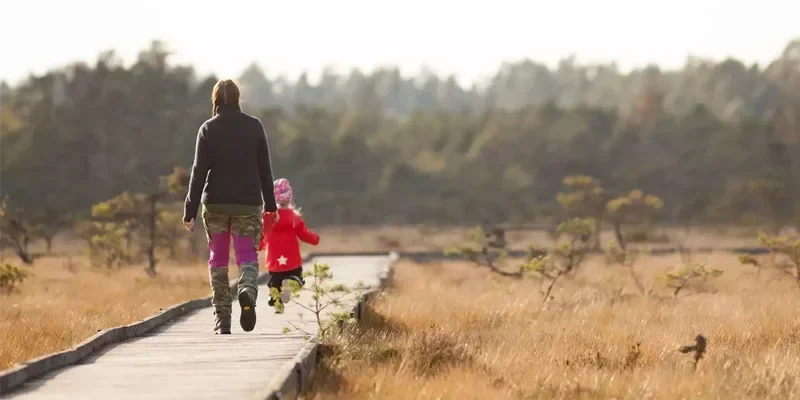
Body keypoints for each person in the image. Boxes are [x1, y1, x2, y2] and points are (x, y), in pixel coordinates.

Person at [182, 79, 279, 335]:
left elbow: (198, 171)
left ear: (215, 100)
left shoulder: (207, 129)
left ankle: (222, 318)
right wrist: (271, 205)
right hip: (247, 203)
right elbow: (264, 170)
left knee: (219, 259)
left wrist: (189, 210)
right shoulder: (254, 126)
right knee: (247, 256)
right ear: (237, 98)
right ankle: (247, 289)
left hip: (214, 202)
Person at [258, 178, 320, 313]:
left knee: (275, 283)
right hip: (291, 258)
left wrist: (258, 245)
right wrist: (315, 239)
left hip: (274, 259)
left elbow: (261, 236)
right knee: (296, 279)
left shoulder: (268, 219)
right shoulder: (293, 217)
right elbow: (304, 234)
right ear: (289, 198)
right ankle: (291, 283)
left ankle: (277, 302)